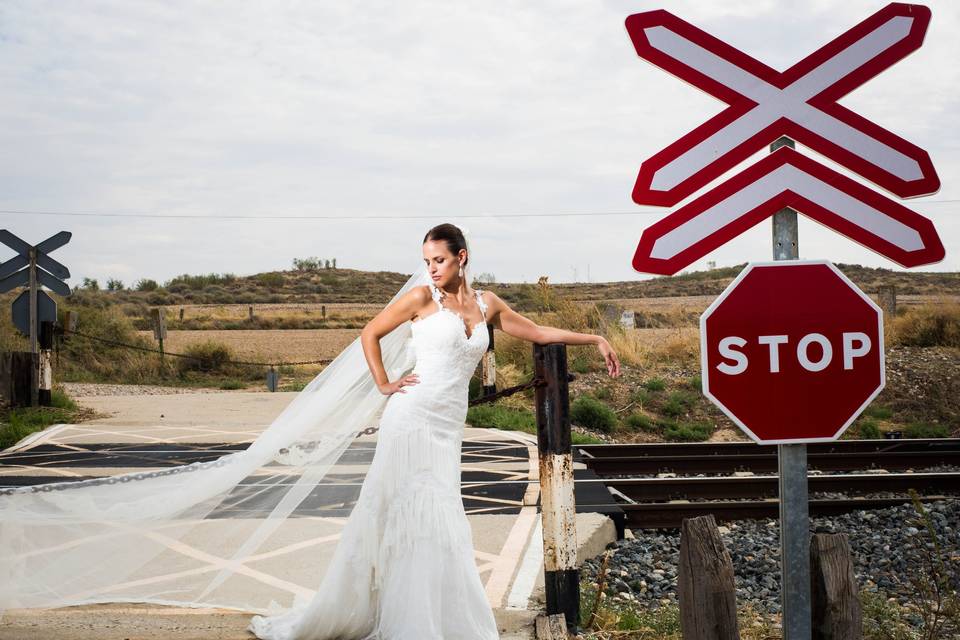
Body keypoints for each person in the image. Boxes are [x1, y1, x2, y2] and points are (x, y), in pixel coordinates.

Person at [248, 223, 620, 639]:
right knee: (405, 513)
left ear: (461, 257)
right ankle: (405, 623)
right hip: (410, 418)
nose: (432, 269)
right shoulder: (422, 297)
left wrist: (595, 338)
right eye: (426, 261)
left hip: (446, 426)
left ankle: (435, 618)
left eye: (439, 260)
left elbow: (536, 332)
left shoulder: (487, 304)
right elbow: (369, 334)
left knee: (440, 519)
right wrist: (385, 384)